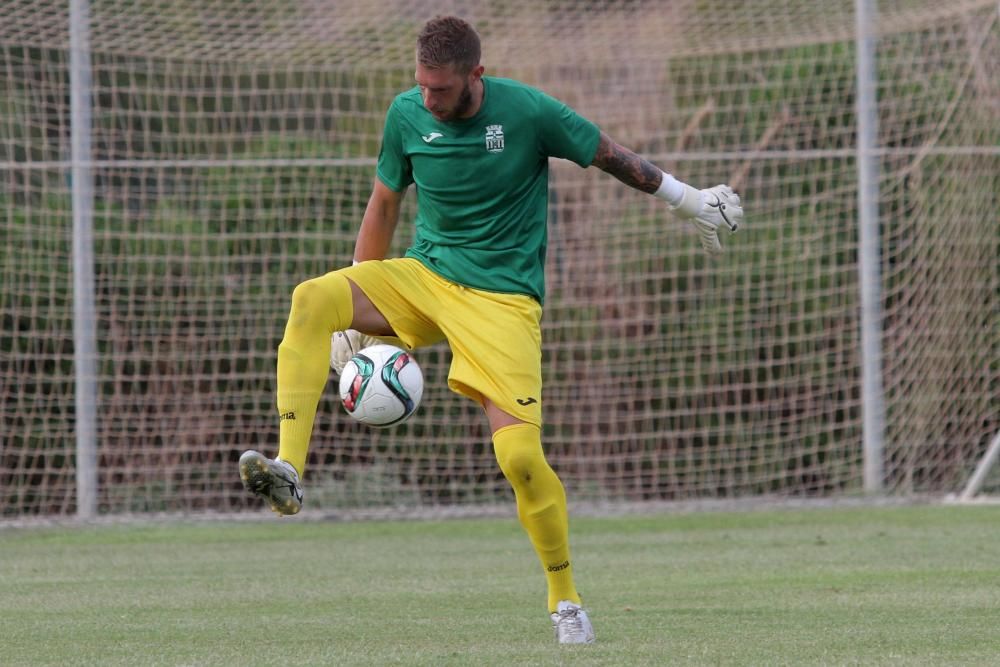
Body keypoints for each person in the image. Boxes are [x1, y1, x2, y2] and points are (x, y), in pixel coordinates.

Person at [239, 14, 743, 645]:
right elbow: (385, 204)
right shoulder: (406, 115)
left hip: (503, 302)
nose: (428, 99)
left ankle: (566, 601)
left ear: (475, 75)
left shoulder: (528, 113)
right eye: (421, 86)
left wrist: (692, 200)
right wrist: (359, 314)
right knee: (312, 300)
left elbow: (610, 156)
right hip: (426, 275)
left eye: (441, 90)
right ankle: (289, 469)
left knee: (520, 457)